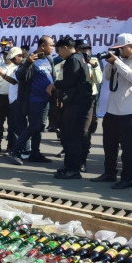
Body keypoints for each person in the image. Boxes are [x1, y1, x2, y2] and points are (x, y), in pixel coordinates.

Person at [91, 33, 132, 189]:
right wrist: (111, 63)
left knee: (129, 149)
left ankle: (127, 179)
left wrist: (117, 62)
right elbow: (106, 77)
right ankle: (109, 173)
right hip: (112, 111)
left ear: (131, 46)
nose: (119, 52)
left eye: (122, 49)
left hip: (130, 112)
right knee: (109, 146)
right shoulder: (120, 60)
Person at [46, 37, 94, 179]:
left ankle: (73, 169)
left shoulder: (73, 60)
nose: (59, 53)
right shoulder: (80, 57)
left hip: (77, 103)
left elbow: (69, 81)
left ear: (66, 47)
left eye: (59, 50)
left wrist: (55, 84)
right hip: (78, 102)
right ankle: (69, 166)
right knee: (69, 136)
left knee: (72, 137)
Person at [8, 36, 56, 165]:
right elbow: (20, 76)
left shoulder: (48, 59)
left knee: (39, 127)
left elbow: (52, 77)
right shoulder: (30, 58)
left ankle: (35, 153)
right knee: (33, 125)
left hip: (45, 100)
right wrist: (28, 63)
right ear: (42, 46)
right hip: (33, 100)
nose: (53, 47)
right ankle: (16, 151)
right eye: (51, 45)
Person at [75, 39, 103, 172]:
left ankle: (82, 161)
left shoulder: (95, 62)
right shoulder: (69, 62)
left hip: (89, 99)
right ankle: (71, 159)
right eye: (82, 49)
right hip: (73, 99)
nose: (85, 51)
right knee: (69, 130)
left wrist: (94, 66)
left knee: (85, 132)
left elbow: (98, 80)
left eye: (87, 48)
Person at [0, 47, 25, 153]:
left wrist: (1, 74)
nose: (6, 56)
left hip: (12, 99)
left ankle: (11, 146)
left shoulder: (18, 68)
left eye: (8, 54)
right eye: (4, 54)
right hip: (0, 97)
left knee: (12, 124)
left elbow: (15, 82)